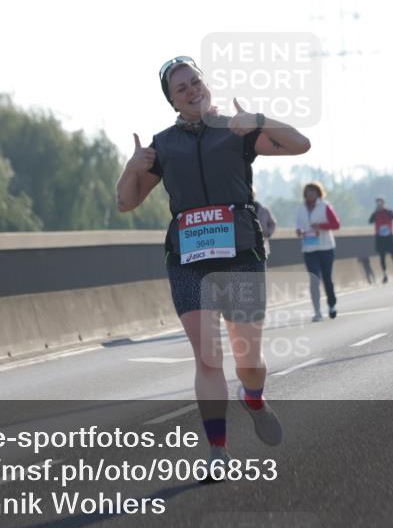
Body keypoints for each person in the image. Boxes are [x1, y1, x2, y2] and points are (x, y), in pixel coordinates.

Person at [116, 56, 311, 473]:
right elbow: (126, 202)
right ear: (172, 100)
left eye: (195, 82)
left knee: (248, 360)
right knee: (207, 358)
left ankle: (253, 398)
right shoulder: (163, 145)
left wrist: (258, 119)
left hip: (240, 253)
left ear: (206, 84)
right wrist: (131, 168)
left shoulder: (235, 130)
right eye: (181, 88)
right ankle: (217, 452)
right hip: (188, 259)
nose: (191, 91)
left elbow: (300, 144)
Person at [297, 182, 341, 321]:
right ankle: (317, 311)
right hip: (309, 248)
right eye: (308, 192)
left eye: (313, 191)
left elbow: (336, 224)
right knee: (314, 279)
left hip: (325, 247)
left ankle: (332, 305)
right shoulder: (300, 208)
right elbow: (298, 224)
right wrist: (299, 231)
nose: (310, 194)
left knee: (327, 278)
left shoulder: (325, 206)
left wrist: (321, 226)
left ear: (318, 193)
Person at [369, 197, 393, 284]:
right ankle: (385, 275)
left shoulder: (388, 211)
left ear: (384, 203)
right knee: (382, 257)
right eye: (378, 203)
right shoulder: (375, 213)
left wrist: (384, 210)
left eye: (381, 203)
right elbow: (370, 221)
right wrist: (376, 212)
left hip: (389, 237)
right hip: (380, 238)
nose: (379, 204)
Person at [252, 192, 277, 263]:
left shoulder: (264, 210)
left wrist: (268, 232)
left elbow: (273, 223)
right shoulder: (242, 210)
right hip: (249, 247)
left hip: (263, 246)